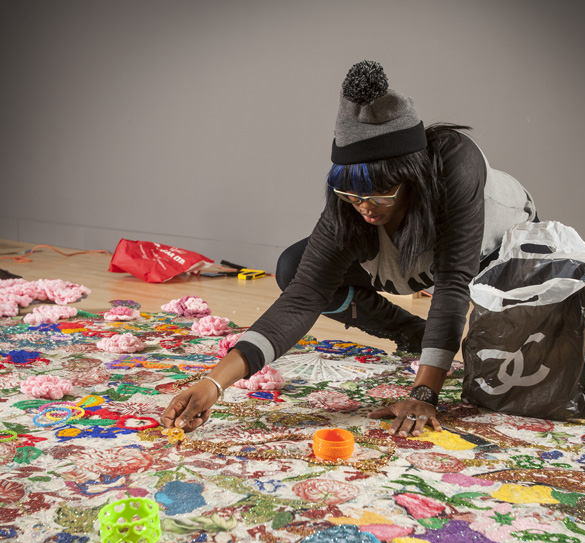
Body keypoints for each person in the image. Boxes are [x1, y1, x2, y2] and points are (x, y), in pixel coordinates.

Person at [162, 60, 535, 436]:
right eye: (350, 193)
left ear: (412, 175)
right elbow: (303, 296)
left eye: (379, 192)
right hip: (410, 262)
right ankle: (410, 331)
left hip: (495, 255)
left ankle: (438, 351)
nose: (364, 206)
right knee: (294, 268)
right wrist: (213, 383)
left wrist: (425, 391)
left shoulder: (456, 163)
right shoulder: (354, 201)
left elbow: (454, 283)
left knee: (504, 373)